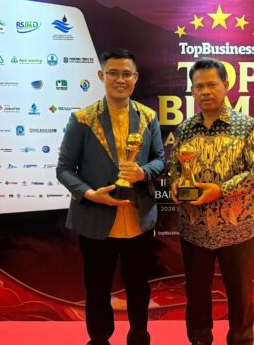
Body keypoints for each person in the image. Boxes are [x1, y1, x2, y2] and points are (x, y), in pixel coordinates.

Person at [57, 48, 165, 345]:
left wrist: (143, 173)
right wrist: (91, 194)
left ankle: (139, 336)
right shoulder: (82, 119)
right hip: (96, 218)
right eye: (113, 73)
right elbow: (64, 169)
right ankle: (99, 339)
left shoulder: (148, 117)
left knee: (139, 286)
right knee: (97, 287)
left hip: (138, 218)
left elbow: (160, 159)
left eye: (126, 74)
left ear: (136, 78)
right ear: (101, 75)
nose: (120, 79)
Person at [169, 58, 254, 345]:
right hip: (195, 229)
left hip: (238, 228)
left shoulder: (245, 126)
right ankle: (200, 339)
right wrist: (175, 183)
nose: (205, 91)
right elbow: (175, 168)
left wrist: (221, 190)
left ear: (225, 85)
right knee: (196, 294)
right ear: (192, 90)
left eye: (212, 84)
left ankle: (241, 339)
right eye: (198, 86)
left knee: (240, 294)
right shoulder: (185, 129)